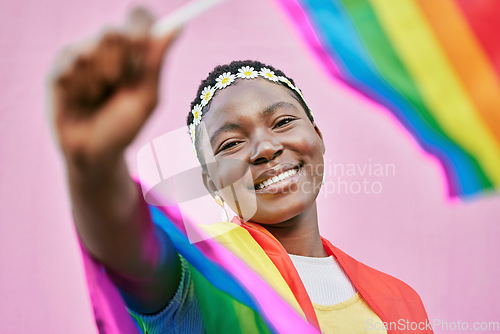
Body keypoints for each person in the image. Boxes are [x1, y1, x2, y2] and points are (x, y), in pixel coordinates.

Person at [50, 8, 432, 334]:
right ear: (211, 183)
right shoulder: (207, 276)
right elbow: (133, 253)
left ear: (316, 136)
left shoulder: (403, 302)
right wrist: (93, 164)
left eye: (282, 121)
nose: (265, 148)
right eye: (230, 144)